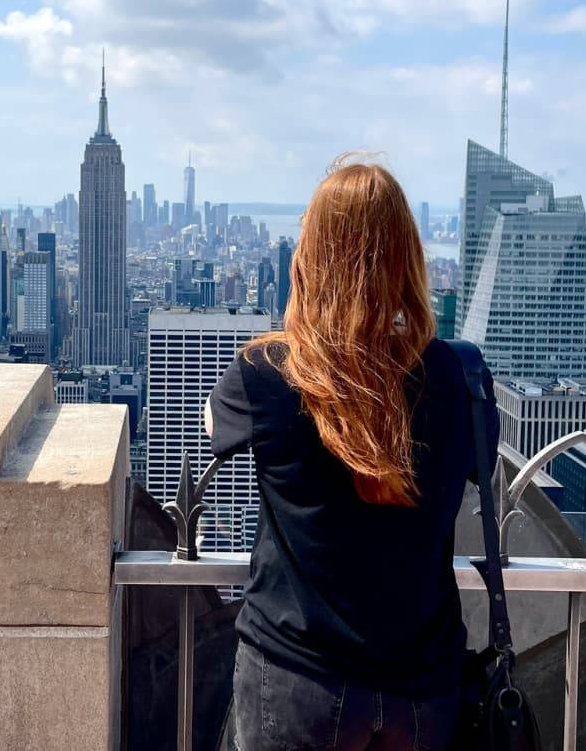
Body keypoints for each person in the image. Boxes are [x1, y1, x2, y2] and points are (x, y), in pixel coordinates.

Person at [205, 155, 499, 750]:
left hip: (294, 677)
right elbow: (481, 466)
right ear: (406, 258)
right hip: (421, 690)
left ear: (310, 255)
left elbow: (215, 429)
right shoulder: (459, 377)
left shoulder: (265, 374)